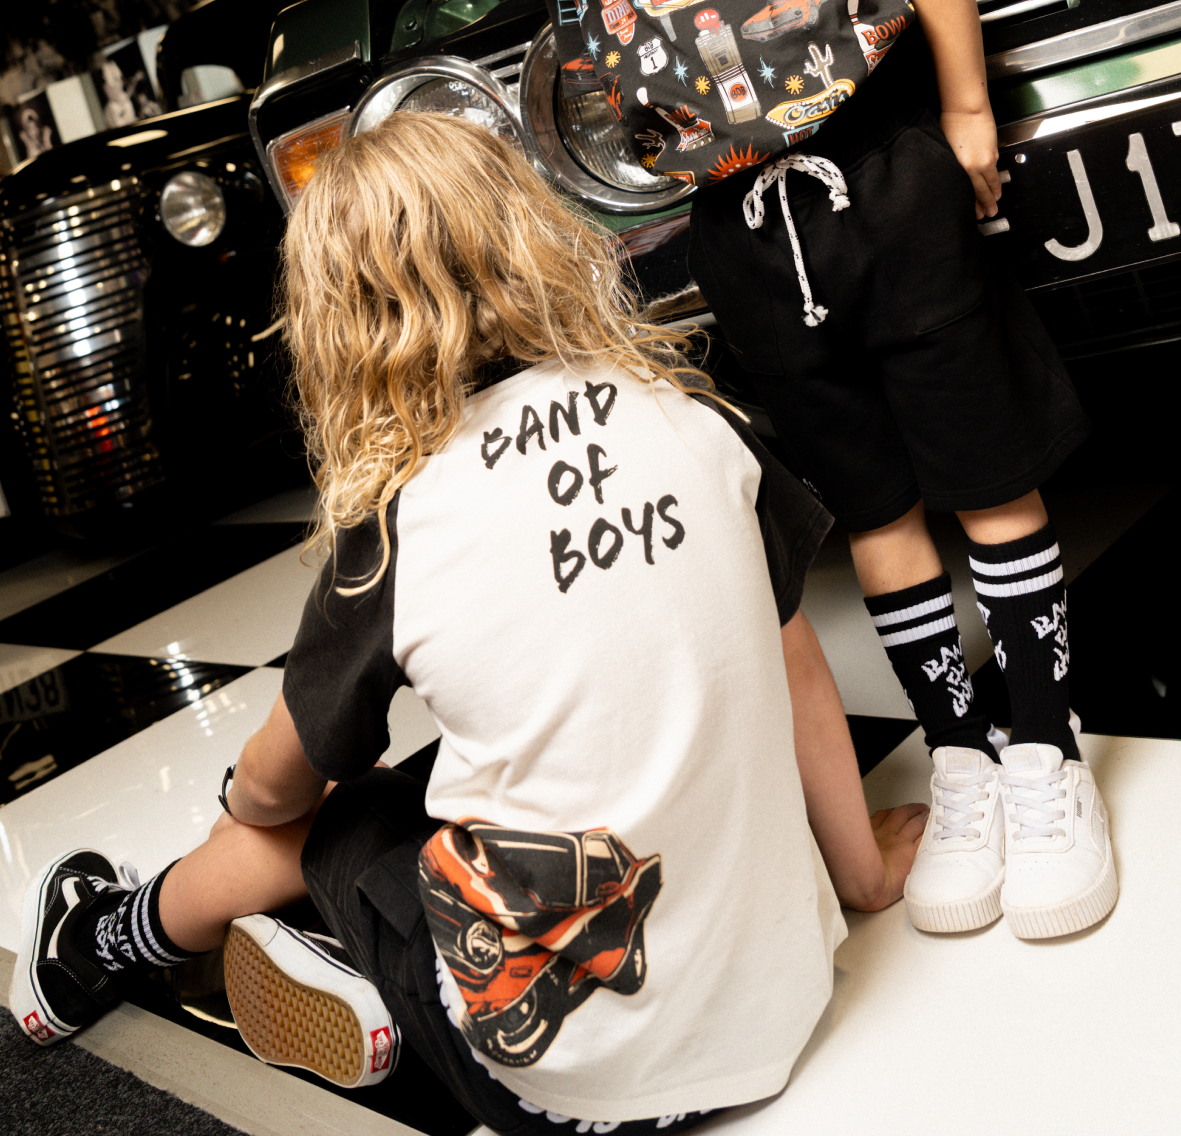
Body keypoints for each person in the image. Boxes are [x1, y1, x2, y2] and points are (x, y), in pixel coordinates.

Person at [363, 0, 1117, 940]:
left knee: (985, 471)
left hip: (881, 173)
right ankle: (964, 755)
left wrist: (966, 114)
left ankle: (1046, 750)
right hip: (747, 231)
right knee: (872, 505)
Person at [11, 111, 928, 1132]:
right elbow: (797, 675)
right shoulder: (693, 413)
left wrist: (244, 795)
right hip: (779, 1015)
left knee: (337, 811)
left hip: (559, 1086)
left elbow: (280, 784)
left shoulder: (407, 515)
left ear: (339, 317)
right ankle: (336, 957)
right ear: (532, 227)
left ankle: (106, 944)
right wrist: (862, 874)